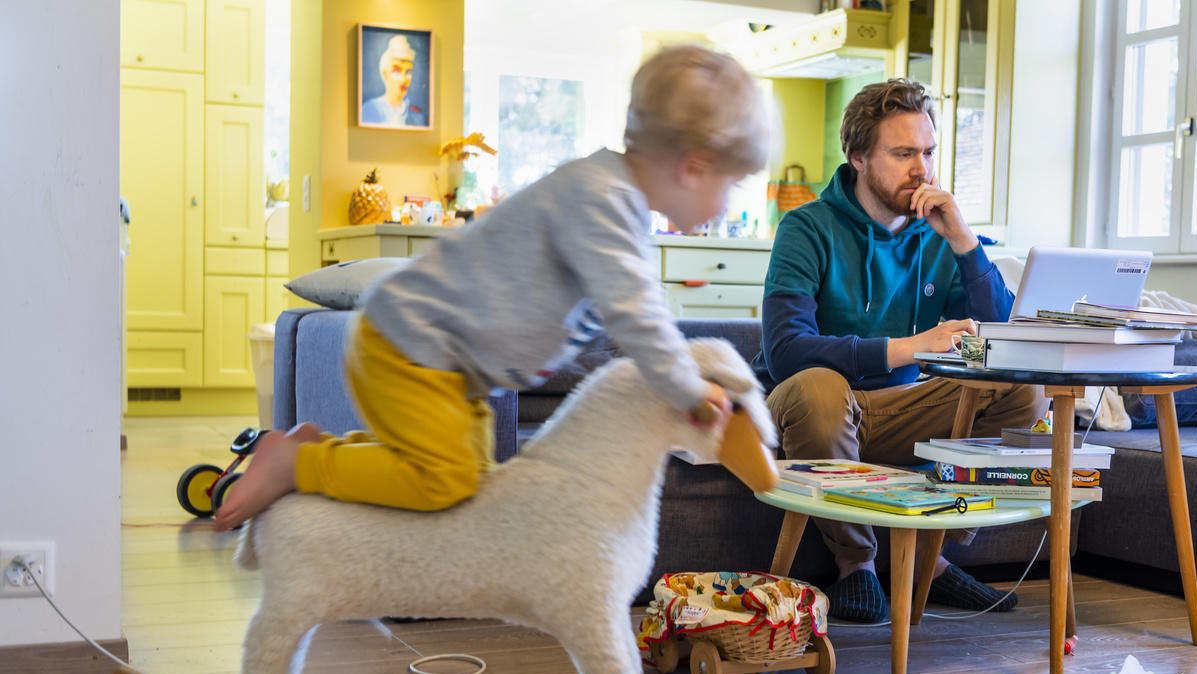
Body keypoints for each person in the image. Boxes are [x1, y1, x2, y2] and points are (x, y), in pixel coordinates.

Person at [214, 45, 769, 531]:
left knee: (470, 478)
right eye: (733, 185)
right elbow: (637, 314)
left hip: (452, 370)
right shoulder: (604, 201)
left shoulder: (610, 197)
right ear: (694, 167)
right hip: (410, 345)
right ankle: (294, 465)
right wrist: (689, 390)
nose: (727, 205)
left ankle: (316, 448)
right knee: (443, 481)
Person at [753, 78, 1048, 623]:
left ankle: (930, 560)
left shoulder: (940, 233)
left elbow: (1007, 340)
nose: (923, 169)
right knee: (819, 387)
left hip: (898, 410)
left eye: (929, 152)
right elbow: (786, 352)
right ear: (859, 156)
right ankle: (856, 565)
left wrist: (963, 242)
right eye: (903, 153)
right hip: (810, 411)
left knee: (1024, 386)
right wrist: (909, 348)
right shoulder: (805, 228)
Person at [360, 34, 426, 127]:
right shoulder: (369, 109)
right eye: (396, 72)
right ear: (385, 74)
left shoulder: (416, 116)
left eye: (408, 72)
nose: (404, 79)